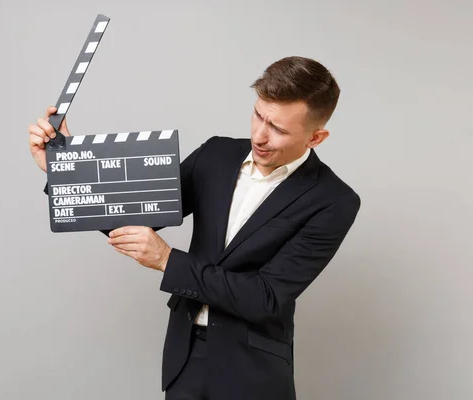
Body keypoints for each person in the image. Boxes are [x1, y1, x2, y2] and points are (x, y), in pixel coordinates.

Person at [28, 56, 361, 400]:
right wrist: (64, 170)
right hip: (185, 358)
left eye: (278, 129)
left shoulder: (333, 201)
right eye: (259, 116)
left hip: (253, 371)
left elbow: (265, 297)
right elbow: (134, 219)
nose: (260, 136)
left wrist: (168, 261)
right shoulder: (215, 155)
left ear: (316, 137)